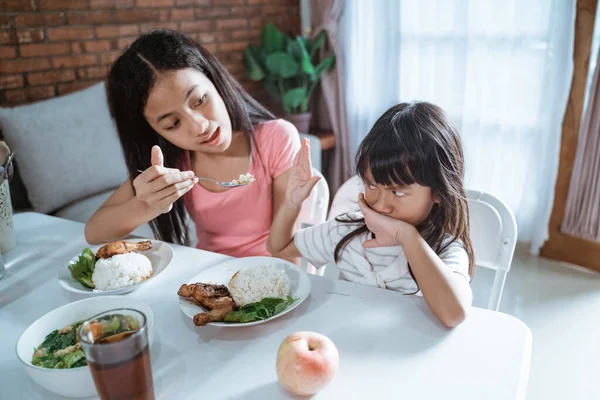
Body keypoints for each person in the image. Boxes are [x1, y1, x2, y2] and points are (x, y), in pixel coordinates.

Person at [85, 30, 301, 258]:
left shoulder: (276, 138)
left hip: (272, 275)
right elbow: (94, 232)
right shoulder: (174, 163)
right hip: (208, 276)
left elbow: (289, 250)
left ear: (215, 80)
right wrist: (148, 206)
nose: (199, 127)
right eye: (173, 123)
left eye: (199, 100)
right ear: (155, 133)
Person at [267, 102, 475, 328]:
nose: (382, 205)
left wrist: (406, 236)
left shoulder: (445, 249)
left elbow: (454, 314)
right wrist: (291, 202)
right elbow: (279, 247)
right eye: (372, 186)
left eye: (398, 191)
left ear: (438, 193)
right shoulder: (347, 230)